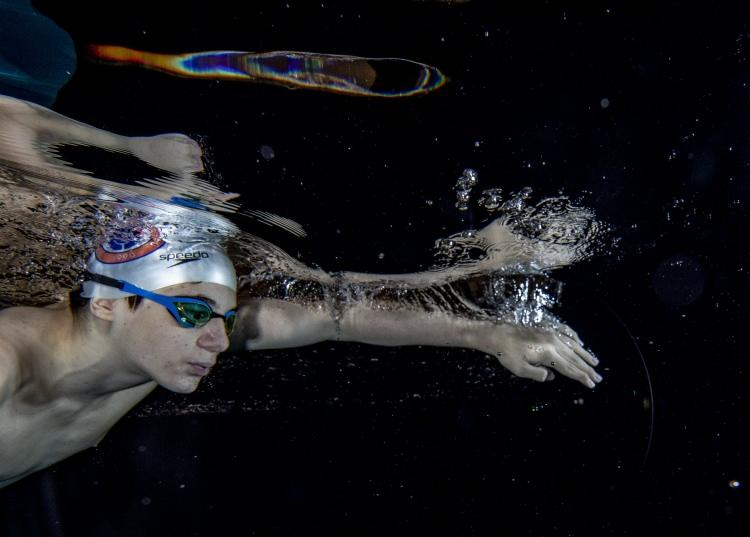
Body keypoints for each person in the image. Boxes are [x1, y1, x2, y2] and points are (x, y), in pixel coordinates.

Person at [0, 95, 601, 489]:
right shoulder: (9, 364)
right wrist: (126, 148)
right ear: (106, 301)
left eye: (227, 320)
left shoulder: (149, 344)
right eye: (192, 311)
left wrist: (492, 333)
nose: (215, 339)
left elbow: (336, 311)